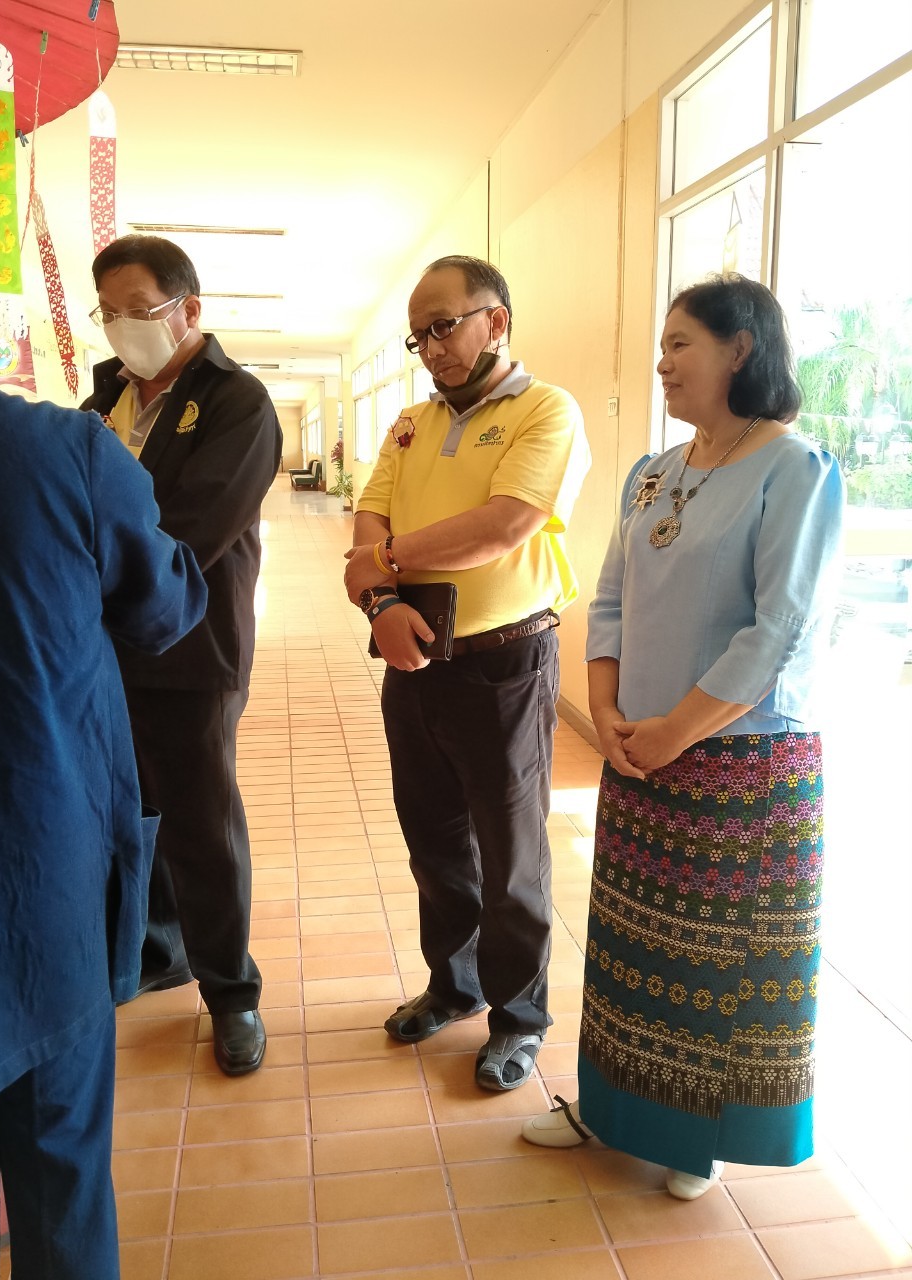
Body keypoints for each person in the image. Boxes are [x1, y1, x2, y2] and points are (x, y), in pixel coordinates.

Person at [522, 274, 845, 1198]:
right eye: (661, 346)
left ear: (740, 350)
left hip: (743, 763)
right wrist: (608, 710)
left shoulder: (795, 469)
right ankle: (608, 1107)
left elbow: (780, 631)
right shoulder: (654, 471)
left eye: (679, 344)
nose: (661, 363)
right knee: (630, 950)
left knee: (714, 965)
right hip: (641, 752)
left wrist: (675, 731)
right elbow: (610, 598)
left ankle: (691, 1139)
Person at [0, 184, 207, 1279]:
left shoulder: (227, 404)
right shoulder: (65, 448)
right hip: (28, 882)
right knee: (56, 1175)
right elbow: (163, 604)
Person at [344, 255, 591, 1091]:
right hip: (414, 656)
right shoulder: (410, 422)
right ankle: (454, 987)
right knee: (435, 840)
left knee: (511, 856)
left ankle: (520, 1019)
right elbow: (369, 515)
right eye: (419, 336)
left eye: (444, 326)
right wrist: (381, 601)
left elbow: (504, 524)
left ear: (497, 321)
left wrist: (379, 563)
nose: (432, 348)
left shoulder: (545, 409)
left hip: (504, 664)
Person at [82, 235, 282, 1075]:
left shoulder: (237, 402)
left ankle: (232, 992)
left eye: (137, 310)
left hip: (193, 648)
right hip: (104, 644)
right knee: (133, 805)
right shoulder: (103, 397)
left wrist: (85, 567)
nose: (121, 327)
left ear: (187, 309)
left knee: (202, 822)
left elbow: (193, 527)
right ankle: (159, 949)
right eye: (108, 312)